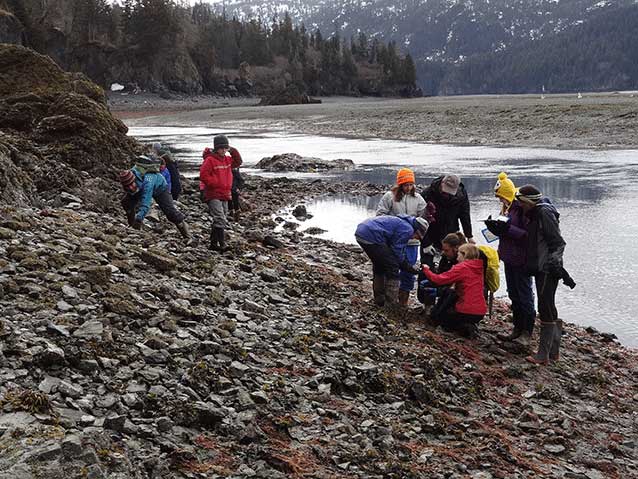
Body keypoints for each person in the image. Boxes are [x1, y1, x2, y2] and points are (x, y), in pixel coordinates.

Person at [515, 185, 568, 365]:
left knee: (545, 307)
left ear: (528, 201)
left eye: (520, 202)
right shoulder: (535, 213)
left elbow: (558, 242)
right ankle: (553, 352)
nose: (519, 205)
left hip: (546, 268)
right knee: (549, 306)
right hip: (542, 266)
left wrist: (553, 263)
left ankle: (543, 355)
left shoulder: (544, 214)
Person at [484, 173, 535, 344]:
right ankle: (517, 329)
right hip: (509, 257)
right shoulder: (508, 208)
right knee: (514, 294)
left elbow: (528, 236)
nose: (499, 200)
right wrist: (495, 228)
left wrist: (506, 229)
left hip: (522, 259)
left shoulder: (522, 208)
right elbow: (507, 233)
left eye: (500, 196)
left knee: (524, 295)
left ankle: (527, 332)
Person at [376, 168, 426, 306]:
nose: (408, 188)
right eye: (405, 185)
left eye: (411, 184)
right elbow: (380, 216)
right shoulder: (389, 197)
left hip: (412, 242)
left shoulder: (418, 198)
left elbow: (424, 218)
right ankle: (389, 298)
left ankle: (403, 301)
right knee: (392, 268)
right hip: (394, 241)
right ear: (399, 184)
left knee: (408, 270)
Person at [355, 215, 429, 308]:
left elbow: (392, 247)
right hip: (372, 236)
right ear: (417, 230)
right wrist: (406, 266)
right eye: (417, 236)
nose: (415, 238)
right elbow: (396, 251)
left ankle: (379, 299)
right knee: (393, 267)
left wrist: (404, 263)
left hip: (362, 232)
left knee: (379, 265)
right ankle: (391, 304)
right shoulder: (408, 229)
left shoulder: (402, 222)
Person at [119, 155, 191, 242]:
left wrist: (139, 219)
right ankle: (131, 227)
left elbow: (145, 203)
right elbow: (130, 191)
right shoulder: (131, 175)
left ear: (134, 179)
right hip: (139, 187)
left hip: (160, 188)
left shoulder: (148, 181)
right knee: (126, 202)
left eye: (131, 184)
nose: (130, 187)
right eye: (127, 186)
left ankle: (187, 235)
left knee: (170, 212)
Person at [421, 243, 487, 338]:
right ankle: (469, 325)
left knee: (445, 321)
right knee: (451, 294)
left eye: (459, 254)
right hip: (480, 312)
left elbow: (439, 280)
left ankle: (463, 327)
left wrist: (426, 270)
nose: (457, 258)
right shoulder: (478, 267)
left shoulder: (462, 267)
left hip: (466, 310)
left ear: (464, 254)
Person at [420, 174, 474, 270]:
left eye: (450, 192)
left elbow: (465, 215)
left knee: (451, 269)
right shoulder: (428, 193)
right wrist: (426, 243)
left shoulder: (461, 195)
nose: (447, 194)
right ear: (442, 183)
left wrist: (469, 235)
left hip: (451, 236)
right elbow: (420, 221)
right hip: (431, 234)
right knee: (427, 268)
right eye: (445, 191)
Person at [200, 135, 242, 251]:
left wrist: (232, 150)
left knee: (220, 218)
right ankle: (222, 244)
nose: (224, 150)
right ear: (216, 148)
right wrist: (215, 183)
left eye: (225, 148)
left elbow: (238, 161)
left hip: (225, 193)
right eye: (221, 148)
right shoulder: (210, 160)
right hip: (213, 194)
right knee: (220, 218)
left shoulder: (227, 160)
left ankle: (213, 244)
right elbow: (203, 175)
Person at [417, 232, 466, 303]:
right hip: (447, 283)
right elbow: (440, 275)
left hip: (459, 291)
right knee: (425, 280)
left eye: (446, 250)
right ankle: (428, 307)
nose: (444, 252)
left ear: (455, 248)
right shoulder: (445, 258)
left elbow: (456, 285)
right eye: (443, 250)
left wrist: (439, 291)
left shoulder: (463, 261)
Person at [228, 147, 245, 222]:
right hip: (226, 189)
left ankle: (235, 213)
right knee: (229, 200)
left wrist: (239, 188)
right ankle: (232, 213)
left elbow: (240, 180)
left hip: (233, 189)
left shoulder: (234, 170)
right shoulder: (227, 164)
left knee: (234, 199)